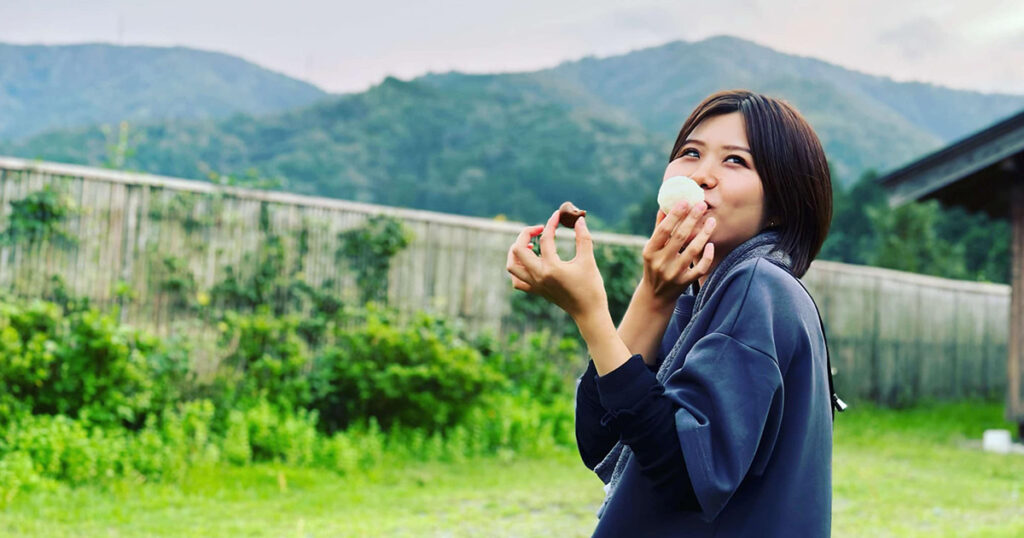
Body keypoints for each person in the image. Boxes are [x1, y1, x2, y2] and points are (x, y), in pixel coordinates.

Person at [505, 89, 835, 537]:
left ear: (780, 204)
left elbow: (687, 476)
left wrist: (590, 313)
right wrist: (653, 296)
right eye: (690, 153)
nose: (701, 175)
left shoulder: (757, 285)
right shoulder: (696, 294)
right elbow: (601, 437)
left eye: (735, 161)